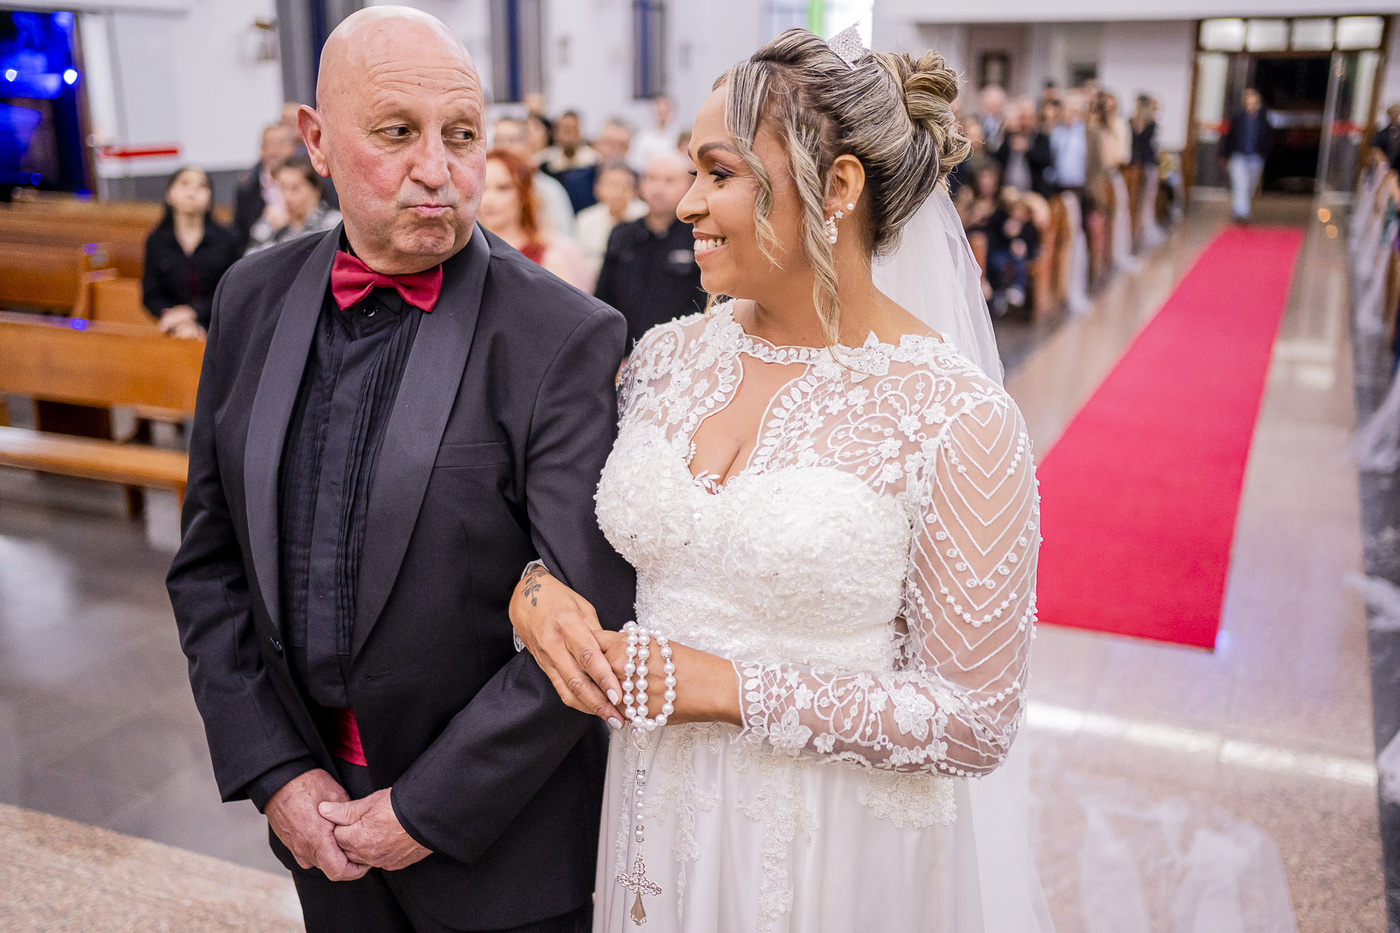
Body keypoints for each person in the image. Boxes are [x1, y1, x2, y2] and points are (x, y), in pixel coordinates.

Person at [509, 27, 1047, 933]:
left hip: (831, 843)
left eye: (718, 173)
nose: (686, 202)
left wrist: (726, 688)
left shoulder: (956, 415)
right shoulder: (662, 361)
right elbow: (581, 554)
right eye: (691, 171)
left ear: (837, 186)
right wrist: (535, 591)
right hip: (653, 813)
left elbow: (974, 719)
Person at [166, 8, 635, 932]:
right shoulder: (251, 296)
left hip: (496, 841)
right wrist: (276, 771)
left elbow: (586, 629)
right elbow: (210, 563)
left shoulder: (561, 335)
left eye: (461, 134)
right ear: (316, 141)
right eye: (395, 132)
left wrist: (422, 809)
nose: (437, 168)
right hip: (315, 815)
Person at [593, 150, 704, 349]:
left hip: (681, 350)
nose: (658, 188)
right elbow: (603, 299)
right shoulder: (622, 235)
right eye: (651, 178)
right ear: (641, 184)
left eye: (669, 181)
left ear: (688, 187)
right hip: (625, 352)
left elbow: (705, 306)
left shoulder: (699, 238)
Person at [142, 165, 240, 338]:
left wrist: (194, 314)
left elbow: (232, 291)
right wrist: (176, 318)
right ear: (169, 194)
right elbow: (151, 295)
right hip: (173, 328)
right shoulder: (156, 240)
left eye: (201, 186)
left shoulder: (227, 239)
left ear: (210, 198)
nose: (192, 191)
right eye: (184, 184)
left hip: (220, 327)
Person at [481, 146, 589, 289]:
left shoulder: (550, 257)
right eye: (482, 188)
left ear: (524, 194)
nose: (489, 199)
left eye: (503, 188)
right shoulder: (465, 255)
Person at [493, 115, 576, 236]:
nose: (503, 147)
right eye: (498, 140)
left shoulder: (548, 189)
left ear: (527, 144)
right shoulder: (483, 189)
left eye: (511, 140)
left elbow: (564, 235)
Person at [244, 154, 342, 255]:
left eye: (295, 188)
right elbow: (251, 259)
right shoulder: (271, 223)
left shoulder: (334, 223)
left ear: (315, 189)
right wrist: (272, 231)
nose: (287, 196)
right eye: (283, 188)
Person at [575, 161, 646, 290]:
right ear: (597, 188)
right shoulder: (585, 220)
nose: (616, 192)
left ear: (635, 191)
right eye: (611, 185)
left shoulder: (644, 215)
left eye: (623, 186)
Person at [233, 123, 298, 251]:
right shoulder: (247, 188)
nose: (274, 151)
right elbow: (241, 235)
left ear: (294, 147)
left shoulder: (313, 180)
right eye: (268, 144)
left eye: (281, 143)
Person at [1221, 88, 1273, 222]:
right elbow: (1229, 137)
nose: (1251, 106)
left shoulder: (1263, 119)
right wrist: (1225, 154)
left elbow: (1268, 138)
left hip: (1255, 158)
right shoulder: (1237, 117)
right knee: (1240, 183)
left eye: (1254, 103)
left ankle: (1239, 208)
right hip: (1238, 156)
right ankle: (1242, 213)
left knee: (1250, 185)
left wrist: (1264, 155)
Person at [538, 110, 601, 213]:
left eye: (572, 129)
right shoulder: (543, 161)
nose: (567, 134)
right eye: (564, 129)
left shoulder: (594, 161)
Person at [629, 94, 679, 173]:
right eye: (659, 112)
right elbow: (635, 161)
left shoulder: (679, 136)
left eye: (665, 112)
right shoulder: (642, 137)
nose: (662, 116)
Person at [1372, 103, 1400, 172]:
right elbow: (1375, 147)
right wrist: (1382, 162)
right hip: (1385, 167)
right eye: (1396, 114)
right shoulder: (1383, 133)